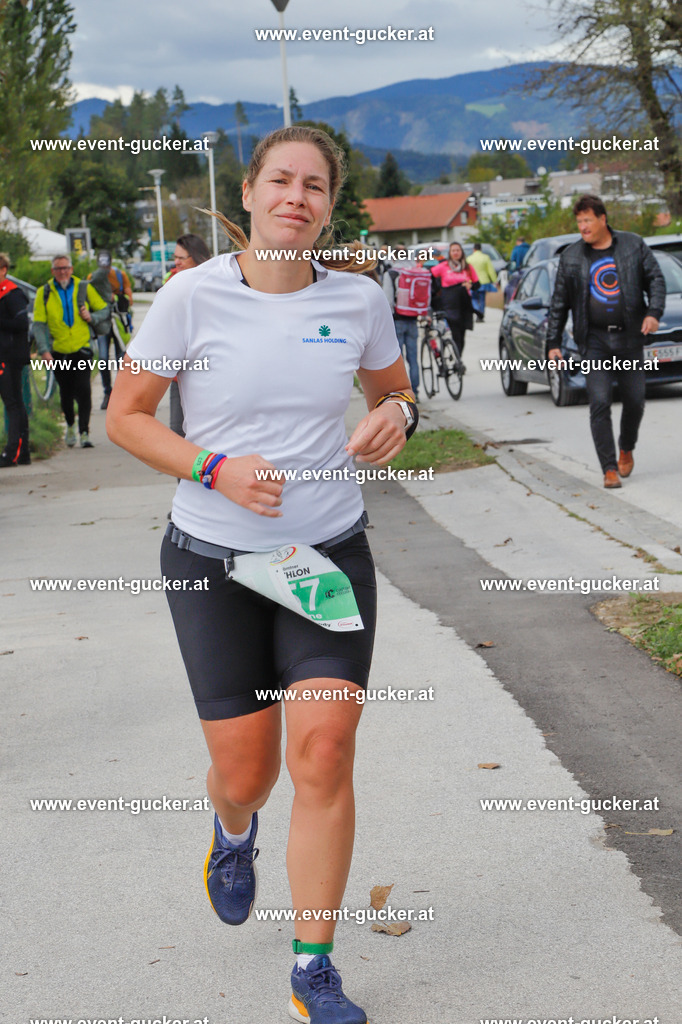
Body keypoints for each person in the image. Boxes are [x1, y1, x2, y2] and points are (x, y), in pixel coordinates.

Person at [107, 125, 417, 1024]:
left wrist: (396, 414)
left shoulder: (358, 299)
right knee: (247, 772)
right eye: (281, 180)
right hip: (216, 557)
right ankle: (231, 829)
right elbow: (129, 417)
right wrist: (213, 466)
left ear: (328, 205)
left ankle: (313, 965)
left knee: (322, 750)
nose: (296, 197)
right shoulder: (189, 298)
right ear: (248, 195)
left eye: (315, 186)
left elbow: (395, 390)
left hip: (319, 557)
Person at [546, 194, 665, 489]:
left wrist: (653, 313)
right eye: (579, 221)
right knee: (599, 402)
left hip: (628, 338)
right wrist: (553, 342)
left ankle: (626, 447)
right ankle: (609, 468)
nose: (583, 226)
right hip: (594, 340)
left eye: (587, 220)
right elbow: (559, 302)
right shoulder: (571, 256)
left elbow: (656, 280)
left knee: (635, 401)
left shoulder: (632, 244)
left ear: (602, 219)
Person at [32, 254, 110, 448]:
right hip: (58, 351)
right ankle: (70, 425)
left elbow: (104, 309)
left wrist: (91, 317)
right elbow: (39, 325)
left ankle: (84, 431)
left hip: (82, 349)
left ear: (72, 269)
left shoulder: (84, 287)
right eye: (58, 269)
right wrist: (44, 351)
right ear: (53, 272)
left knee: (84, 390)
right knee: (66, 394)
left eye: (66, 268)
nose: (63, 272)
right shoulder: (45, 292)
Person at [167, 234, 211, 438]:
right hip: (179, 375)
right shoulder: (171, 283)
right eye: (175, 257)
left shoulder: (214, 284)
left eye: (181, 258)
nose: (176, 262)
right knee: (176, 433)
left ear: (196, 257)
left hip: (210, 374)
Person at [382, 252, 432, 401]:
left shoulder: (391, 274)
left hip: (396, 321)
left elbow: (388, 300)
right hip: (413, 320)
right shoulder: (417, 273)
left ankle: (403, 393)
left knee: (399, 360)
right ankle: (415, 391)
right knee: (413, 358)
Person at [88, 251, 135, 410]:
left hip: (117, 321)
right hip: (102, 324)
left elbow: (129, 298)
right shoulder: (91, 278)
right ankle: (108, 392)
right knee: (102, 358)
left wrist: (119, 300)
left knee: (121, 358)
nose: (104, 270)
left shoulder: (120, 275)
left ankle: (122, 393)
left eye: (106, 266)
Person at [0, 252, 31, 467]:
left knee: (13, 403)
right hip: (5, 356)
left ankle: (15, 452)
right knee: (12, 403)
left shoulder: (12, 294)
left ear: (4, 270)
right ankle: (19, 451)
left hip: (10, 357)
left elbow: (22, 324)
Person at [430, 241, 478, 357]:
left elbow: (477, 284)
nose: (456, 253)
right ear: (450, 253)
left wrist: (470, 285)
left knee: (462, 334)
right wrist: (437, 291)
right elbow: (430, 276)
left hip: (465, 304)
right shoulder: (443, 266)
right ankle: (458, 359)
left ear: (462, 252)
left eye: (458, 250)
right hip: (450, 304)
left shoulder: (467, 267)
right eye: (453, 250)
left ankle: (457, 357)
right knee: (455, 333)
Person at [467, 242, 499, 322]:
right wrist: (494, 280)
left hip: (472, 282)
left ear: (473, 249)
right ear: (481, 249)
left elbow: (467, 271)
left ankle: (477, 311)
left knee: (474, 299)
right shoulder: (485, 257)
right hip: (484, 281)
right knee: (482, 299)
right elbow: (490, 270)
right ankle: (481, 314)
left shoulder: (469, 258)